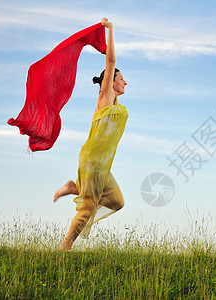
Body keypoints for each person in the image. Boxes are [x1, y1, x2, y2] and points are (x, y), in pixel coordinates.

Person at [53, 18, 128, 251]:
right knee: (88, 207)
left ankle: (76, 187)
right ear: (110, 81)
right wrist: (111, 31)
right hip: (93, 162)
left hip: (101, 165)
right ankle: (65, 247)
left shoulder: (115, 104)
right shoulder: (105, 99)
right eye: (121, 78)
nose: (125, 81)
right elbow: (111, 60)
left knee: (117, 201)